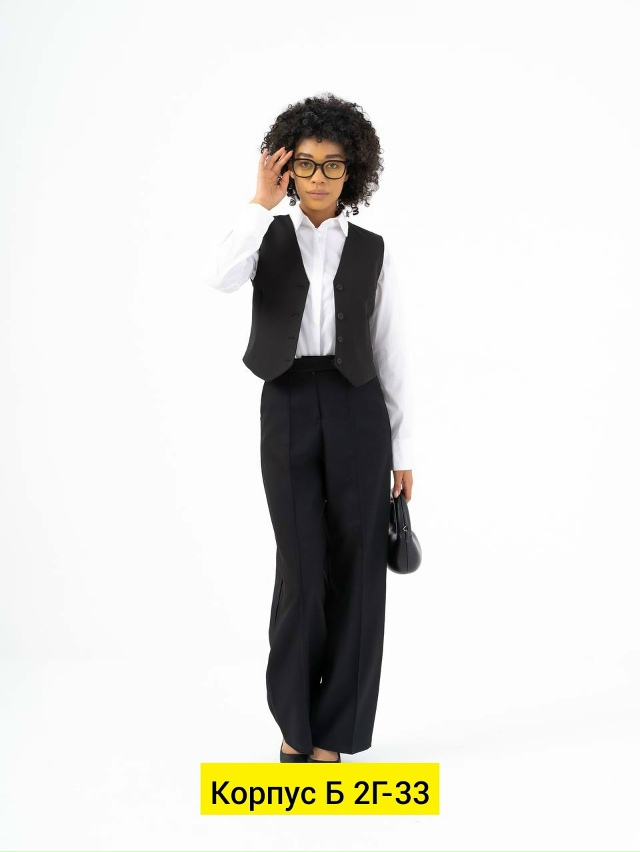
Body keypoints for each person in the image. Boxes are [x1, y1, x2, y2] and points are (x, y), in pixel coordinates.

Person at [208, 93, 414, 762]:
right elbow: (219, 278)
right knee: (300, 565)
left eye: (333, 164)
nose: (319, 176)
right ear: (285, 167)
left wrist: (403, 450)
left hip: (358, 407)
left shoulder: (373, 249)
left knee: (359, 569)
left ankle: (335, 735)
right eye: (305, 163)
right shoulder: (263, 233)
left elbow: (391, 351)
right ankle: (296, 727)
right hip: (288, 399)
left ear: (353, 171)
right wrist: (258, 203)